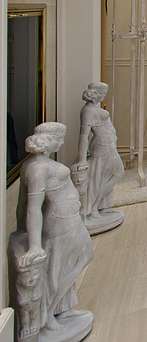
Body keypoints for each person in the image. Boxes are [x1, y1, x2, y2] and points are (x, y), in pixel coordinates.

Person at [13, 122, 94, 338]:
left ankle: (59, 308)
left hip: (66, 218)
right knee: (57, 268)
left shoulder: (33, 165)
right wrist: (33, 246)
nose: (62, 142)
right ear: (49, 141)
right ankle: (48, 313)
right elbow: (31, 208)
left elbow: (23, 205)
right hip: (60, 221)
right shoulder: (38, 168)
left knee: (72, 260)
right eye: (59, 139)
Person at [72, 82, 124, 232]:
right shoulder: (87, 111)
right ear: (96, 93)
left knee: (103, 175)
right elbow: (83, 135)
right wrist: (81, 159)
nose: (105, 95)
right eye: (104, 93)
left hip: (107, 144)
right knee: (116, 173)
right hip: (102, 146)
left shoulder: (92, 108)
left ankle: (103, 206)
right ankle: (94, 206)